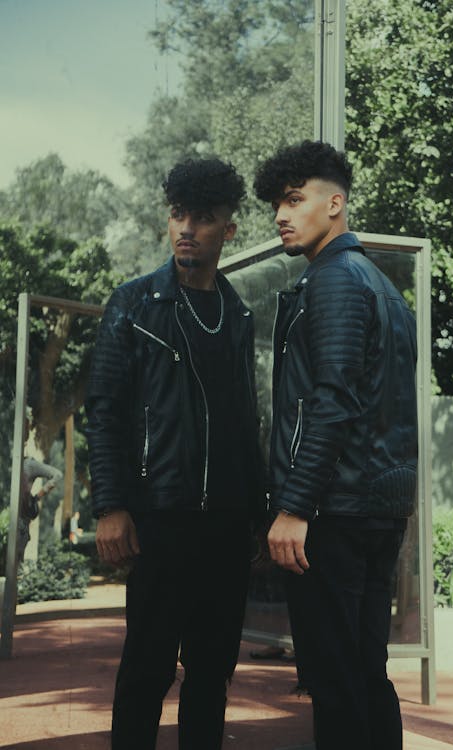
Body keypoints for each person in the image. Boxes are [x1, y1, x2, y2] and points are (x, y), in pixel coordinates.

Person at [85, 158, 264, 750]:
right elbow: (104, 410)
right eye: (177, 215)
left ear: (227, 231)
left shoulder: (237, 316)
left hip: (227, 525)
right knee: (147, 671)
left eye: (203, 218)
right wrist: (111, 505)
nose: (186, 228)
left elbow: (245, 424)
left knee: (213, 674)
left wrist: (257, 515)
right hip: (162, 518)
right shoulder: (135, 304)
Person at [254, 139, 418, 750]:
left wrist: (295, 506)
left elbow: (332, 401)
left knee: (335, 679)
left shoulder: (335, 281)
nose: (282, 214)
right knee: (364, 672)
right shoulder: (378, 283)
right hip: (375, 507)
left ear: (336, 203)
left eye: (295, 200)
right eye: (278, 203)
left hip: (336, 511)